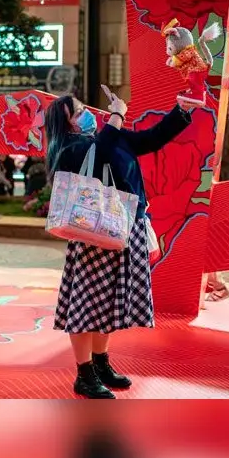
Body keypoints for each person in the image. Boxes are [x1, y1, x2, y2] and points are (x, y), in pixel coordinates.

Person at [45, 89, 194, 399]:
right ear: (68, 123)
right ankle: (84, 373)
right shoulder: (70, 149)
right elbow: (95, 157)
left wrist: (180, 110)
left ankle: (101, 364)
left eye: (85, 107)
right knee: (86, 304)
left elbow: (152, 139)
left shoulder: (110, 137)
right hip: (91, 235)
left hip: (125, 228)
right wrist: (116, 116)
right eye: (78, 111)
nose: (86, 113)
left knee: (109, 303)